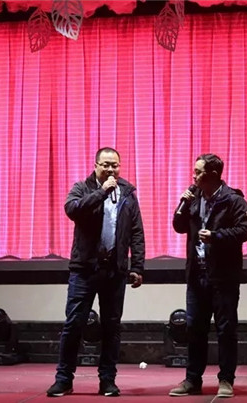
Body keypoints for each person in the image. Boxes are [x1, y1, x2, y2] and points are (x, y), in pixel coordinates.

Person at [47, 147, 145, 398]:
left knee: (111, 327)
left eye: (115, 165)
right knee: (74, 324)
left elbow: (136, 231)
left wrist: (137, 266)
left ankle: (107, 380)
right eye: (106, 165)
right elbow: (72, 210)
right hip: (85, 269)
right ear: (96, 166)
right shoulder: (82, 188)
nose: (111, 169)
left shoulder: (128, 193)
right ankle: (64, 379)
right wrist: (102, 192)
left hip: (115, 271)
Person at [169, 154, 247, 399]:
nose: (193, 176)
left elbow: (245, 230)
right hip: (197, 275)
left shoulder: (233, 200)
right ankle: (192, 379)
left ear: (213, 175)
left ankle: (226, 379)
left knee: (226, 329)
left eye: (198, 172)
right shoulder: (193, 198)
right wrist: (182, 205)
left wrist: (216, 236)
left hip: (223, 277)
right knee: (195, 329)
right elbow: (179, 227)